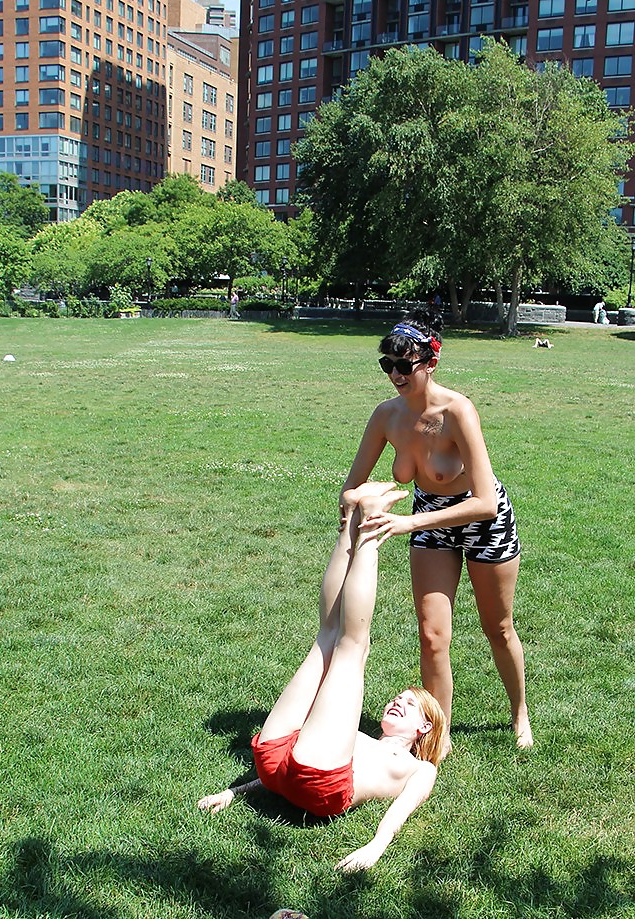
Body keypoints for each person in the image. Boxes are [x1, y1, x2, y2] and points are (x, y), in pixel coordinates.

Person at [198, 484, 447, 872]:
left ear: (425, 726)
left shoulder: (421, 768)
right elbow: (298, 757)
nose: (397, 701)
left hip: (320, 783)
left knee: (351, 645)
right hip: (276, 765)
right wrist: (234, 792)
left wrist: (375, 847)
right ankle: (352, 518)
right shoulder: (356, 737)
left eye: (410, 704)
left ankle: (369, 522)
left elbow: (403, 809)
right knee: (330, 639)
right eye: (399, 697)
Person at [340, 307, 533, 753]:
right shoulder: (386, 416)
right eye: (387, 364)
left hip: (484, 522)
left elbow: (483, 502)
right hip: (430, 521)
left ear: (430, 362)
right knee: (431, 635)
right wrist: (358, 506)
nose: (394, 374)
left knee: (497, 627)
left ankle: (519, 711)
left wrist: (407, 521)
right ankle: (437, 739)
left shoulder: (458, 411)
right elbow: (351, 486)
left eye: (403, 365)